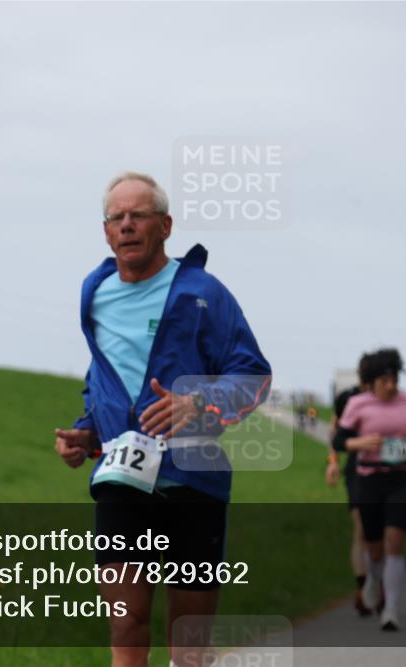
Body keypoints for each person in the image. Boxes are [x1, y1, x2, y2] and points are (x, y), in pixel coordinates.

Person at [54, 172, 271, 667]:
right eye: (117, 217)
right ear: (106, 232)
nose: (127, 225)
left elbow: (253, 375)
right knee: (126, 624)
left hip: (193, 477)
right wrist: (87, 431)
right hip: (122, 478)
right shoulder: (95, 293)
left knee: (189, 644)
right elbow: (107, 377)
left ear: (166, 226)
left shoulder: (204, 293)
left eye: (139, 215)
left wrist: (196, 402)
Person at [331, 348, 406, 631]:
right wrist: (359, 443)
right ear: (372, 382)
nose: (391, 385)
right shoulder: (358, 405)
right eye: (385, 381)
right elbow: (339, 440)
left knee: (395, 543)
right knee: (374, 549)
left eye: (395, 379)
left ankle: (391, 609)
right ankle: (373, 581)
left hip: (401, 480)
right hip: (369, 481)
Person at [326, 381, 370, 616]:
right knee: (361, 529)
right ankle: (363, 587)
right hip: (357, 468)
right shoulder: (348, 398)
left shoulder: (389, 398)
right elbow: (334, 428)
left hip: (389, 472)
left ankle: (379, 583)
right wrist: (333, 462)